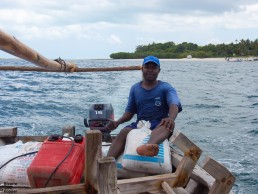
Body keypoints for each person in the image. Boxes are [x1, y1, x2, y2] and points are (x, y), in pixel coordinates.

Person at [106, 55, 182, 159]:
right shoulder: (135, 88)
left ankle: (148, 146)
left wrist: (171, 118)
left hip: (160, 124)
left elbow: (174, 103)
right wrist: (117, 122)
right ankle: (107, 161)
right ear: (142, 69)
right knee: (123, 132)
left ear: (159, 70)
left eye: (154, 68)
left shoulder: (165, 87)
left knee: (167, 125)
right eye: (147, 67)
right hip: (141, 124)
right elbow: (129, 112)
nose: (150, 70)